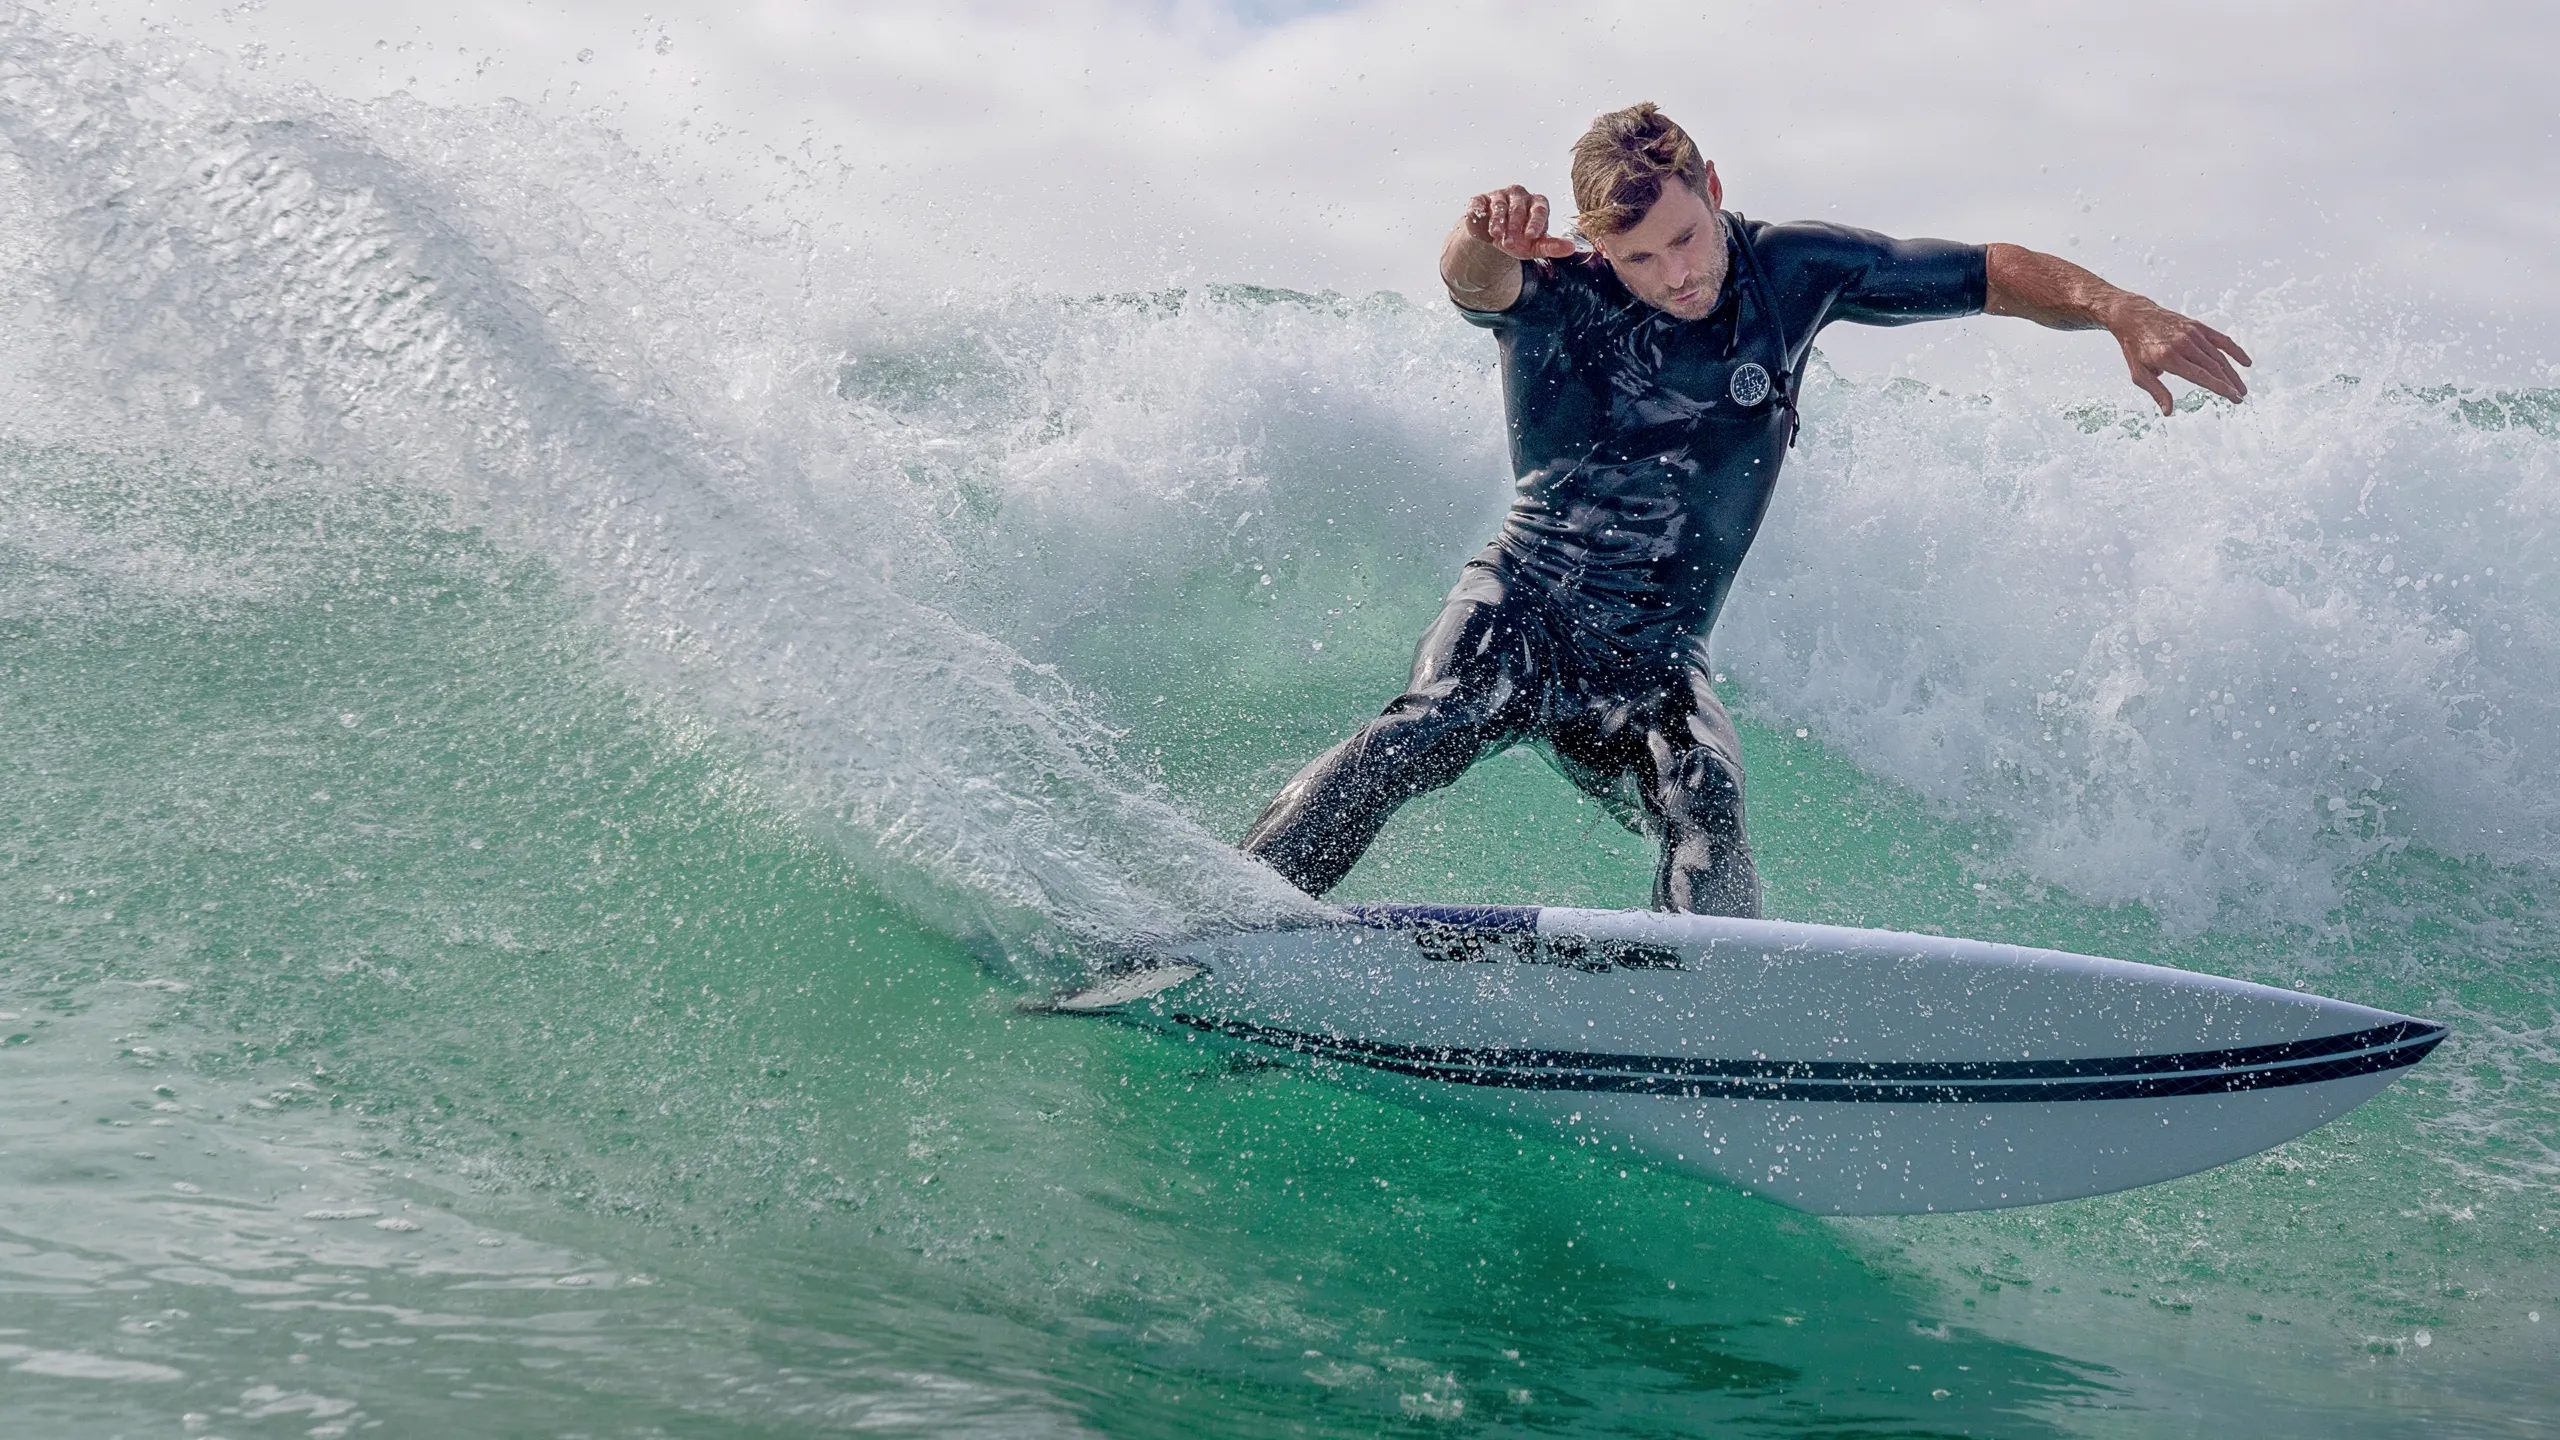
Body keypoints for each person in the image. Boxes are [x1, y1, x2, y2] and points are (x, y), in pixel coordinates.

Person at [1239, 102, 2251, 917]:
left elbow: (1985, 273)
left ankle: (1697, 1028)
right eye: (1639, 258)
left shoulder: (1790, 271)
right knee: (1428, 727)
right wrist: (1475, 232)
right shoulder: (1562, 293)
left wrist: (2119, 309)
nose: (1674, 274)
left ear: (1713, 191)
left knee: (1704, 804)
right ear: (1596, 246)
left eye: (1684, 238)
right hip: (1527, 603)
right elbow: (1476, 280)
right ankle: (1229, 921)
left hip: (1653, 655)